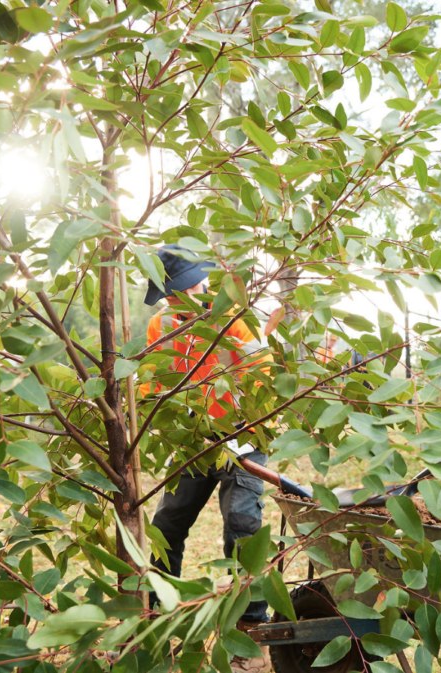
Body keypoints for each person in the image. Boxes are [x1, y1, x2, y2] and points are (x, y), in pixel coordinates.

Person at [140, 244, 271, 673]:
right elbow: (152, 381)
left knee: (243, 524)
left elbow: (263, 368)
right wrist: (164, 419)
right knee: (166, 524)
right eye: (183, 289)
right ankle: (159, 616)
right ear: (168, 295)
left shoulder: (231, 318)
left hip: (243, 436)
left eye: (198, 284)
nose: (196, 292)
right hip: (194, 442)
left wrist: (243, 422)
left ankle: (250, 630)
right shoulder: (161, 325)